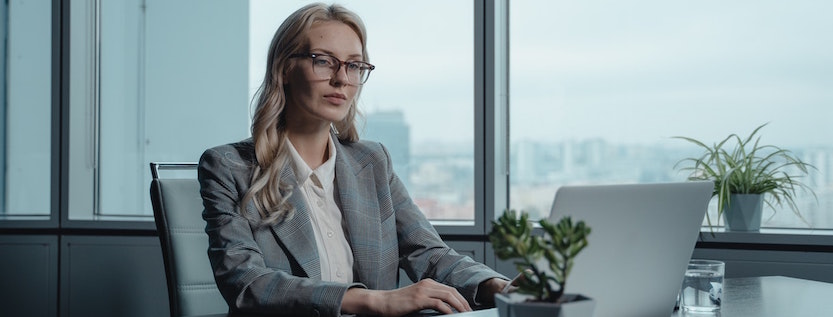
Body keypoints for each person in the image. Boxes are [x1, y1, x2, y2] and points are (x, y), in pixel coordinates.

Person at [197, 3, 509, 317]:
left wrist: (498, 287)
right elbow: (247, 283)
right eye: (324, 61)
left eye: (354, 65)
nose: (342, 79)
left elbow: (429, 254)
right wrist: (377, 301)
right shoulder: (228, 167)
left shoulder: (372, 161)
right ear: (285, 69)